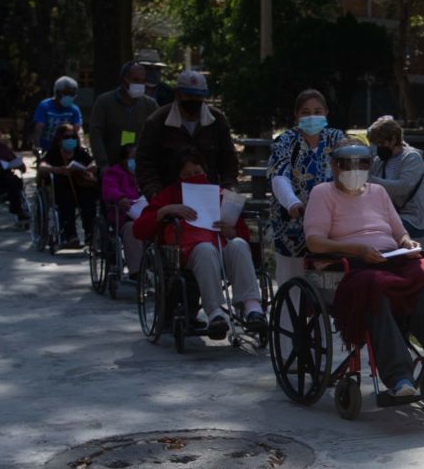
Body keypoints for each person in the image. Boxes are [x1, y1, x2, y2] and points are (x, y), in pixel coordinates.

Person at [303, 141, 424, 397]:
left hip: (390, 259)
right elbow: (314, 242)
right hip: (351, 265)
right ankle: (399, 377)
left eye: (361, 163)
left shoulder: (377, 192)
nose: (354, 170)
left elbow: (399, 232)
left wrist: (407, 243)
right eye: (346, 164)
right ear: (334, 166)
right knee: (375, 289)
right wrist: (358, 249)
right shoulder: (322, 193)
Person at [133, 147, 267, 339]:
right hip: (189, 252)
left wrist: (231, 231)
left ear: (205, 171)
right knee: (205, 249)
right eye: (186, 174)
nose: (193, 177)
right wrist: (166, 210)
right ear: (178, 176)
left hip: (222, 248)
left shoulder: (220, 194)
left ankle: (252, 307)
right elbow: (139, 229)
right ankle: (215, 313)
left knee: (238, 244)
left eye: (197, 172)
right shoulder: (169, 195)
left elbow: (242, 233)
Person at [268, 89, 347, 290]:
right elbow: (279, 175)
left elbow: (349, 169)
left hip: (331, 223)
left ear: (326, 113)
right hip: (291, 224)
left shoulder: (336, 138)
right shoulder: (285, 141)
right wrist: (292, 203)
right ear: (296, 115)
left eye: (317, 111)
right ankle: (286, 322)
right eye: (305, 112)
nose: (312, 116)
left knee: (329, 288)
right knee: (292, 287)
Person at [134, 70, 238, 201]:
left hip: (209, 199)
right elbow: (145, 163)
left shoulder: (217, 121)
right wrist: (156, 195)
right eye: (189, 95)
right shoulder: (157, 122)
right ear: (178, 94)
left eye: (198, 96)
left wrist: (228, 190)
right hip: (169, 198)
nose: (194, 100)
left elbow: (229, 162)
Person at [36, 122, 99, 248]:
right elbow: (42, 167)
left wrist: (92, 166)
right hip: (62, 188)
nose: (70, 140)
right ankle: (71, 235)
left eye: (73, 137)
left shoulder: (80, 153)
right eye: (66, 137)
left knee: (89, 200)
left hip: (81, 186)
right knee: (66, 201)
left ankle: (90, 235)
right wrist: (57, 170)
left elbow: (93, 162)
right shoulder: (53, 153)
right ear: (59, 139)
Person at [367, 115, 424, 239]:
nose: (378, 147)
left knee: (375, 233)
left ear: (394, 139)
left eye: (381, 143)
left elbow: (402, 187)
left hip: (412, 219)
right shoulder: (380, 160)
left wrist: (369, 180)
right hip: (386, 217)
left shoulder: (412, 158)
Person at [89, 61, 159, 168]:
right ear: (124, 79)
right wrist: (103, 164)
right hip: (110, 166)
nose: (140, 85)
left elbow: (159, 133)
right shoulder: (104, 102)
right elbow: (96, 135)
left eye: (143, 81)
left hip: (139, 169)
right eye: (135, 80)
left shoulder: (150, 105)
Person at [100, 143, 145, 278]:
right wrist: (120, 198)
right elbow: (109, 190)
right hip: (124, 218)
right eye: (133, 158)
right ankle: (137, 272)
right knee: (132, 229)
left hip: (147, 215)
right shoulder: (114, 173)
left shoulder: (146, 174)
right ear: (124, 160)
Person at [32, 76, 83, 154]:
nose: (70, 97)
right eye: (67, 93)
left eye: (72, 94)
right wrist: (37, 147)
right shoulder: (45, 106)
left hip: (66, 150)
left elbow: (78, 130)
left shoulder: (74, 109)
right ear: (57, 93)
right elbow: (38, 129)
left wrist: (81, 146)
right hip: (46, 149)